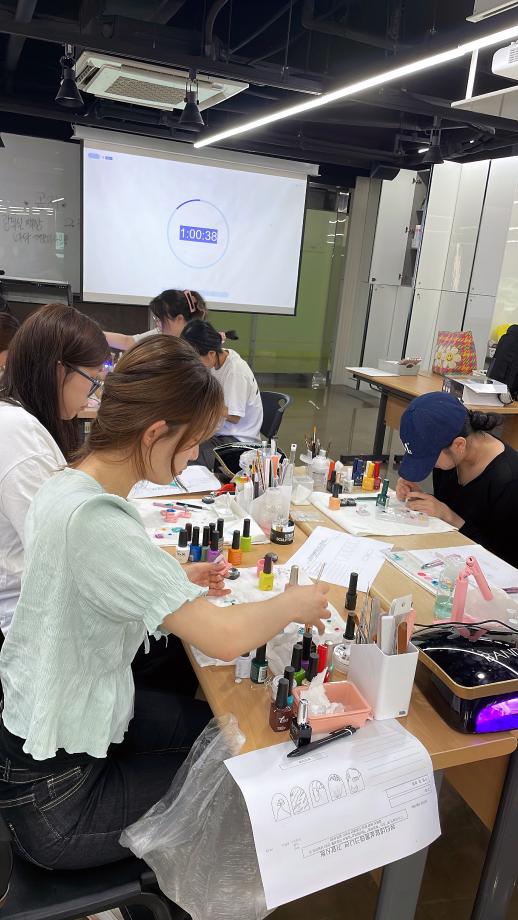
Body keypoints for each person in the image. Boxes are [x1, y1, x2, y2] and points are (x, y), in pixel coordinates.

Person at [0, 335, 328, 870]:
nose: (194, 456)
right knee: (246, 783)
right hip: (57, 799)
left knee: (223, 735)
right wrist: (294, 603)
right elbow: (225, 637)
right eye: (192, 442)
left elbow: (87, 577)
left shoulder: (66, 486)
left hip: (49, 736)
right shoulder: (97, 520)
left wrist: (169, 576)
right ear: (155, 433)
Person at [0, 302, 110, 636]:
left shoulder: (20, 420)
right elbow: (62, 555)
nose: (92, 397)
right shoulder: (21, 437)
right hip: (23, 621)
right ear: (59, 370)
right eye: (92, 381)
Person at [396, 391, 518, 567]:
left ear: (459, 444)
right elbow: (461, 504)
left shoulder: (509, 482)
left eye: (430, 459)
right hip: (447, 558)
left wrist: (449, 517)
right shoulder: (452, 457)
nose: (430, 466)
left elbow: (506, 562)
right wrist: (423, 499)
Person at [181, 319, 263, 469]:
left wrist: (205, 401)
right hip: (221, 433)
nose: (193, 363)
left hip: (239, 442)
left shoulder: (235, 372)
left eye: (195, 359)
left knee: (186, 457)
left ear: (211, 353)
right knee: (178, 443)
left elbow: (234, 417)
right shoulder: (216, 361)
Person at [104, 288, 208, 351]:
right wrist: (96, 334)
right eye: (156, 319)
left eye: (160, 319)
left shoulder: (200, 346)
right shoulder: (162, 333)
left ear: (179, 319)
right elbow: (128, 341)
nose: (157, 324)